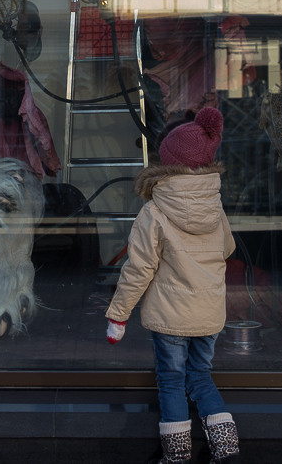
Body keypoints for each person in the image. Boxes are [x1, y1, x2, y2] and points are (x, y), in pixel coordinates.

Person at [105, 107, 241, 464]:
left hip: (171, 316)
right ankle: (226, 449)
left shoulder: (155, 211)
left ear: (168, 164)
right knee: (201, 376)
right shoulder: (215, 205)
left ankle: (177, 454)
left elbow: (138, 269)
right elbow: (227, 249)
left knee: (170, 379)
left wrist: (118, 316)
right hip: (209, 312)